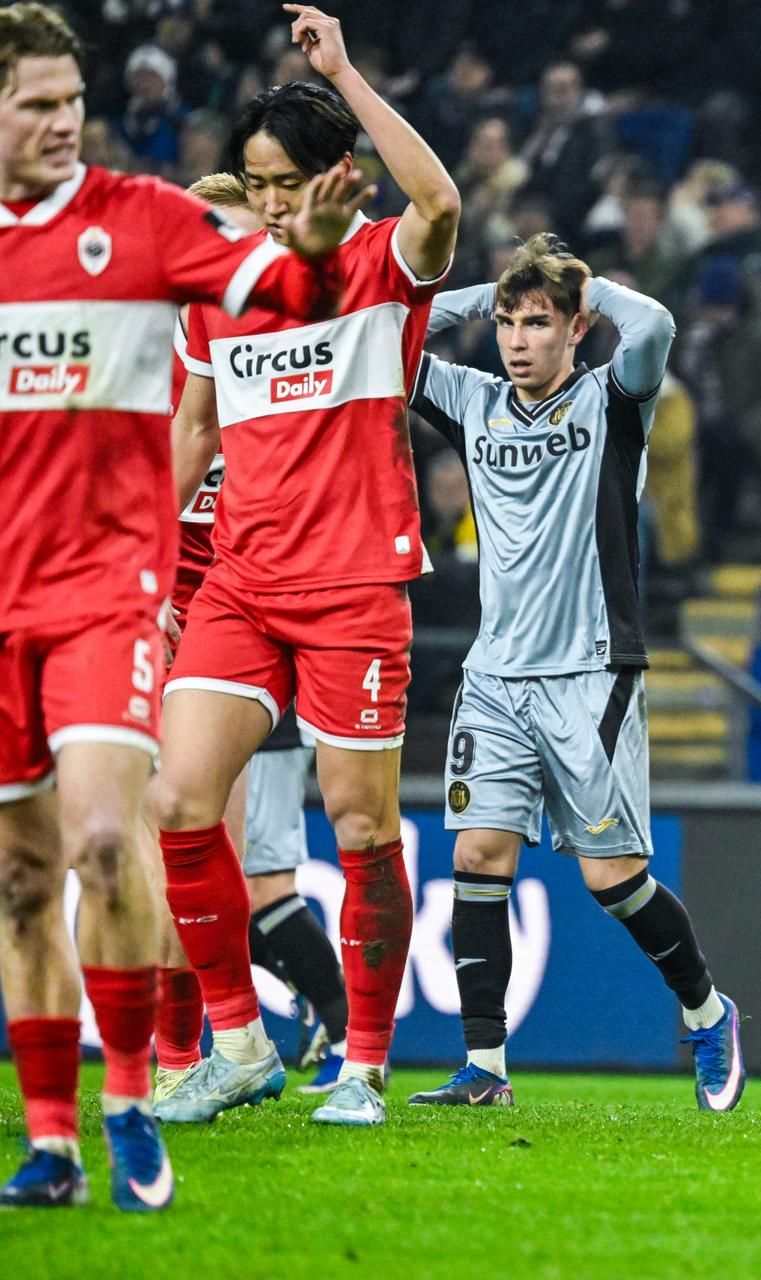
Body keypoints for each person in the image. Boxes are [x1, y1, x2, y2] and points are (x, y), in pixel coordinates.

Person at [0, 2, 357, 1210]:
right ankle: (53, 1141)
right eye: (36, 104)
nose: (64, 122)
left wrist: (316, 253)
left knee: (111, 838)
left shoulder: (144, 219)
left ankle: (128, 1100)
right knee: (21, 879)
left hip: (106, 594)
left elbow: (288, 292)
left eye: (72, 101)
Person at [154, 4, 459, 1130]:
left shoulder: (382, 263)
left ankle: (364, 1066)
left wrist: (347, 76)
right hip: (240, 583)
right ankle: (239, 1043)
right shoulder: (222, 293)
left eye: (287, 183)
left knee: (361, 828)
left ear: (335, 177)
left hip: (353, 587)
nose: (271, 203)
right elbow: (193, 432)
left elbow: (442, 202)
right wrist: (146, 573)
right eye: (256, 183)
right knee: (180, 801)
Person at [404, 235, 744, 1110]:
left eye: (538, 323)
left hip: (591, 673)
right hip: (496, 674)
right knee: (477, 855)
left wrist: (586, 285)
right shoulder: (474, 401)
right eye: (508, 324)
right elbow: (386, 328)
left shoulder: (611, 401)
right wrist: (488, 293)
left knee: (611, 879)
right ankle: (486, 1068)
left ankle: (708, 1013)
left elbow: (654, 324)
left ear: (576, 328)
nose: (517, 341)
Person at [152, 173, 349, 1105]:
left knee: (226, 855)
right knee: (158, 847)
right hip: (155, 623)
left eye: (240, 243)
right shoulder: (156, 362)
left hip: (244, 626)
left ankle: (210, 1053)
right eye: (211, 243)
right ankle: (193, 1054)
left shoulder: (282, 360)